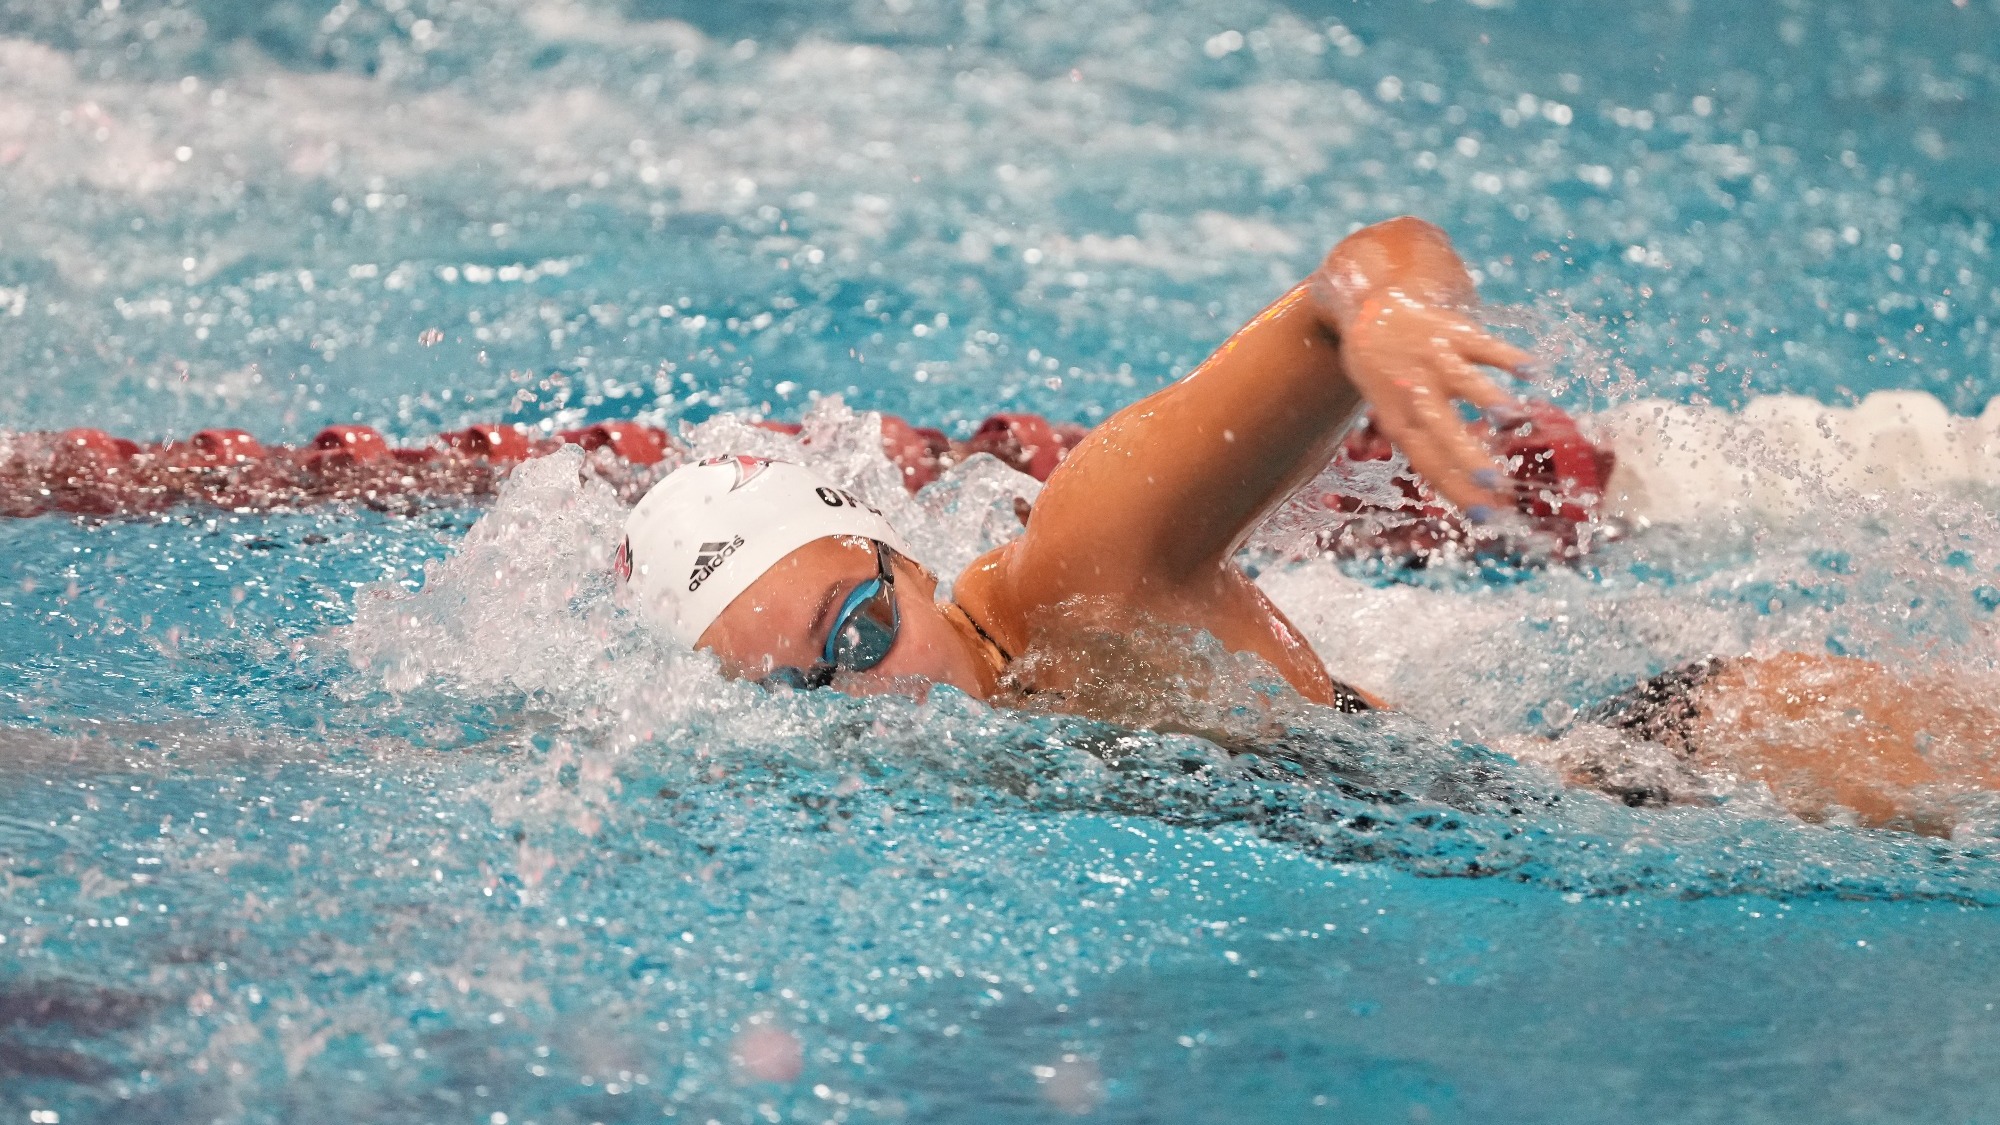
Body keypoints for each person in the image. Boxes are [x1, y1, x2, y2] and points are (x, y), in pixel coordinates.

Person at [619, 217, 1998, 834]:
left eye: (859, 630)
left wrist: (1390, 315)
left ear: (906, 559)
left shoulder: (1079, 572)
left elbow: (1357, 272)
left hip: (1677, 763)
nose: (865, 701)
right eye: (801, 698)